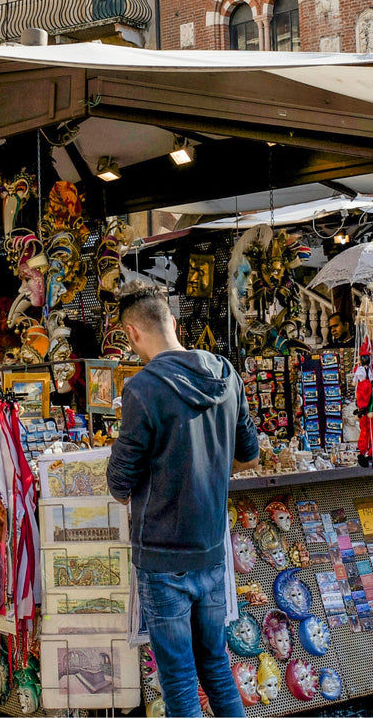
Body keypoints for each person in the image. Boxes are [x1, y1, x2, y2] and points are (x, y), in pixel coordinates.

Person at [107, 282, 258, 718]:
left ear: (133, 334)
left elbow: (120, 482)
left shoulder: (142, 389)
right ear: (174, 322)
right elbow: (249, 456)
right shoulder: (227, 374)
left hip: (162, 558)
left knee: (178, 680)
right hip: (211, 550)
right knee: (215, 668)